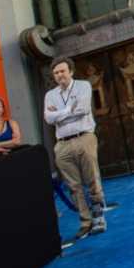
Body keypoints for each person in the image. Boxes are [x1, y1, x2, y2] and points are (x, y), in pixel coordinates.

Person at [44, 56, 107, 240]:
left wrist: (58, 114)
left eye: (62, 71)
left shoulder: (83, 86)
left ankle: (99, 217)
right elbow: (48, 119)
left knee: (92, 178)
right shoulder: (50, 95)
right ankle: (85, 222)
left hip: (84, 137)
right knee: (73, 185)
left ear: (70, 71)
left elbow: (83, 110)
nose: (59, 75)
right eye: (56, 72)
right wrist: (67, 111)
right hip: (62, 144)